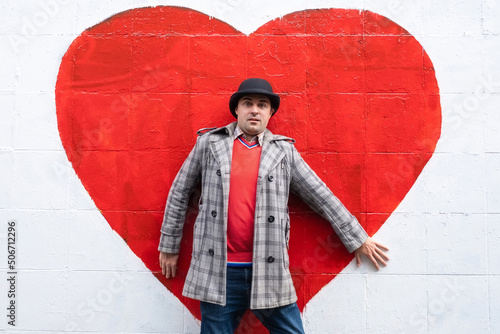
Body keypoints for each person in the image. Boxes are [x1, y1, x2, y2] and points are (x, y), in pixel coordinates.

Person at [158, 78, 389, 333]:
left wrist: (357, 238)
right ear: (237, 110)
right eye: (248, 103)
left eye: (262, 105)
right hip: (218, 272)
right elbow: (179, 192)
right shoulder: (210, 144)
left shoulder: (284, 152)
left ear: (270, 112)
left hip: (268, 269)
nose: (254, 110)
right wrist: (169, 245)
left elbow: (321, 195)